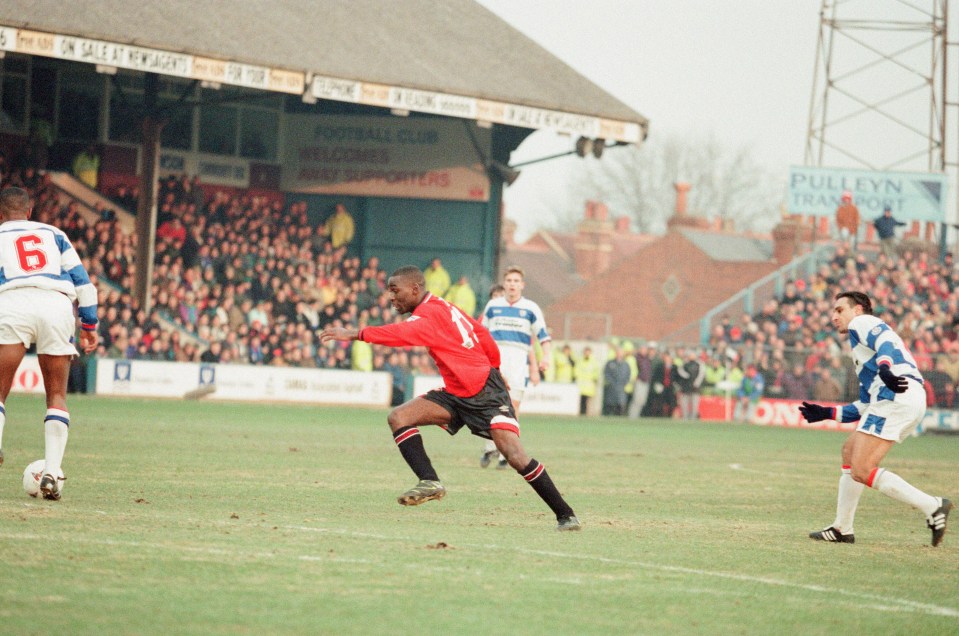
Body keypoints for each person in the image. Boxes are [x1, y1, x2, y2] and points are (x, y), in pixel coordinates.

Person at [319, 266, 580, 531]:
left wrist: (354, 333)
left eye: (395, 290)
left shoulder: (427, 315)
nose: (390, 296)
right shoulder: (443, 305)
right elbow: (481, 333)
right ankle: (429, 481)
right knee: (399, 417)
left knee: (514, 455)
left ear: (415, 289)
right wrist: (496, 367)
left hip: (485, 392)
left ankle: (565, 514)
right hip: (457, 392)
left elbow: (399, 335)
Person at [800, 291, 951, 546]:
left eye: (839, 310)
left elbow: (886, 342)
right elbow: (865, 405)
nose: (833, 316)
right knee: (849, 451)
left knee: (861, 468)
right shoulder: (860, 352)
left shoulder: (863, 322)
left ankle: (933, 505)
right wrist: (827, 413)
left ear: (858, 309)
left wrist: (884, 367)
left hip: (896, 395)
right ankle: (842, 528)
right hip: (891, 398)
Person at [0, 187, 99, 500]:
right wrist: (89, 325)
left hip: (12, 302)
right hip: (55, 304)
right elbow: (85, 285)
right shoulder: (55, 234)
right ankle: (52, 474)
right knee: (56, 393)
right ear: (29, 212)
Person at [477, 266, 552, 468]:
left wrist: (545, 357)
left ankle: (506, 454)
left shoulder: (531, 308)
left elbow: (543, 336)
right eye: (509, 280)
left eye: (516, 281)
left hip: (518, 362)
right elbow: (481, 335)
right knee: (490, 406)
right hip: (495, 361)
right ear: (505, 284)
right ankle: (489, 446)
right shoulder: (493, 305)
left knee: (512, 408)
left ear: (522, 285)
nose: (512, 284)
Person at [602, 346, 630, 416]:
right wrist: (611, 382)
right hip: (611, 387)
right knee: (610, 403)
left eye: (621, 353)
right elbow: (606, 373)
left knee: (620, 404)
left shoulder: (626, 364)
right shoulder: (610, 363)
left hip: (621, 387)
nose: (619, 354)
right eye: (618, 353)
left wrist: (624, 383)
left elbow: (628, 375)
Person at [574, 347, 600, 415]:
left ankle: (587, 414)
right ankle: (581, 413)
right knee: (581, 401)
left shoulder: (594, 362)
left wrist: (595, 379)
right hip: (581, 385)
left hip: (589, 385)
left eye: (588, 352)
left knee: (588, 402)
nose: (586, 354)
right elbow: (576, 371)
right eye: (585, 352)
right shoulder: (580, 361)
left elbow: (596, 372)